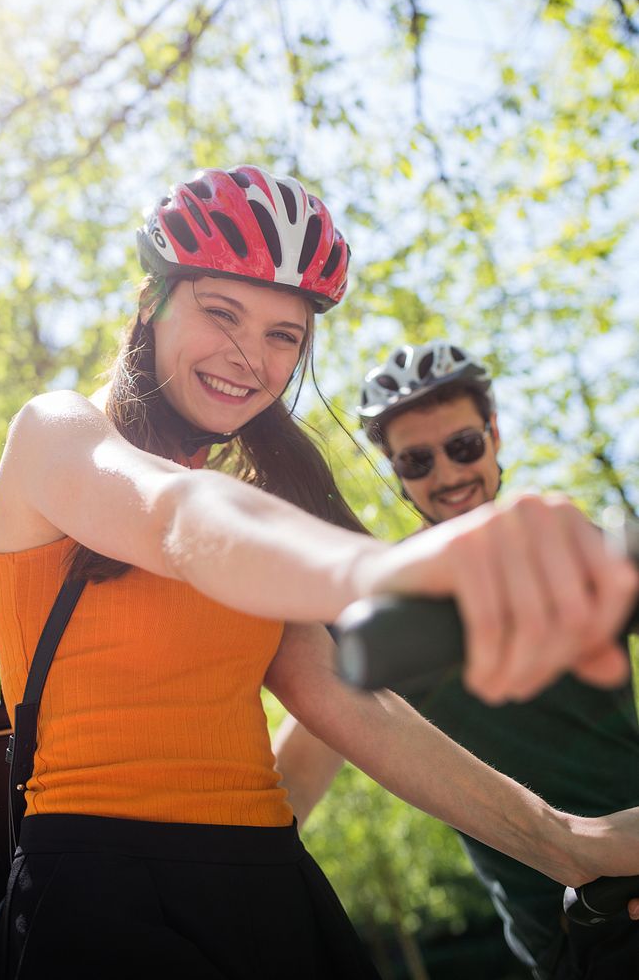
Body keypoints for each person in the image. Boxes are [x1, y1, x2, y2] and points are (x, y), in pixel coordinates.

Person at [0, 168, 639, 980]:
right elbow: (178, 519)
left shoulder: (258, 524)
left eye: (282, 335)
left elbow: (346, 702)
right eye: (221, 312)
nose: (247, 357)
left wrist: (567, 842)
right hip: (102, 888)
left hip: (271, 883)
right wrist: (395, 572)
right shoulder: (56, 432)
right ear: (151, 300)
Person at [274, 339, 639, 980]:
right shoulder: (384, 617)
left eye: (463, 446)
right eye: (417, 460)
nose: (446, 473)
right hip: (567, 939)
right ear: (396, 469)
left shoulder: (564, 543)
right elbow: (294, 782)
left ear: (494, 434)